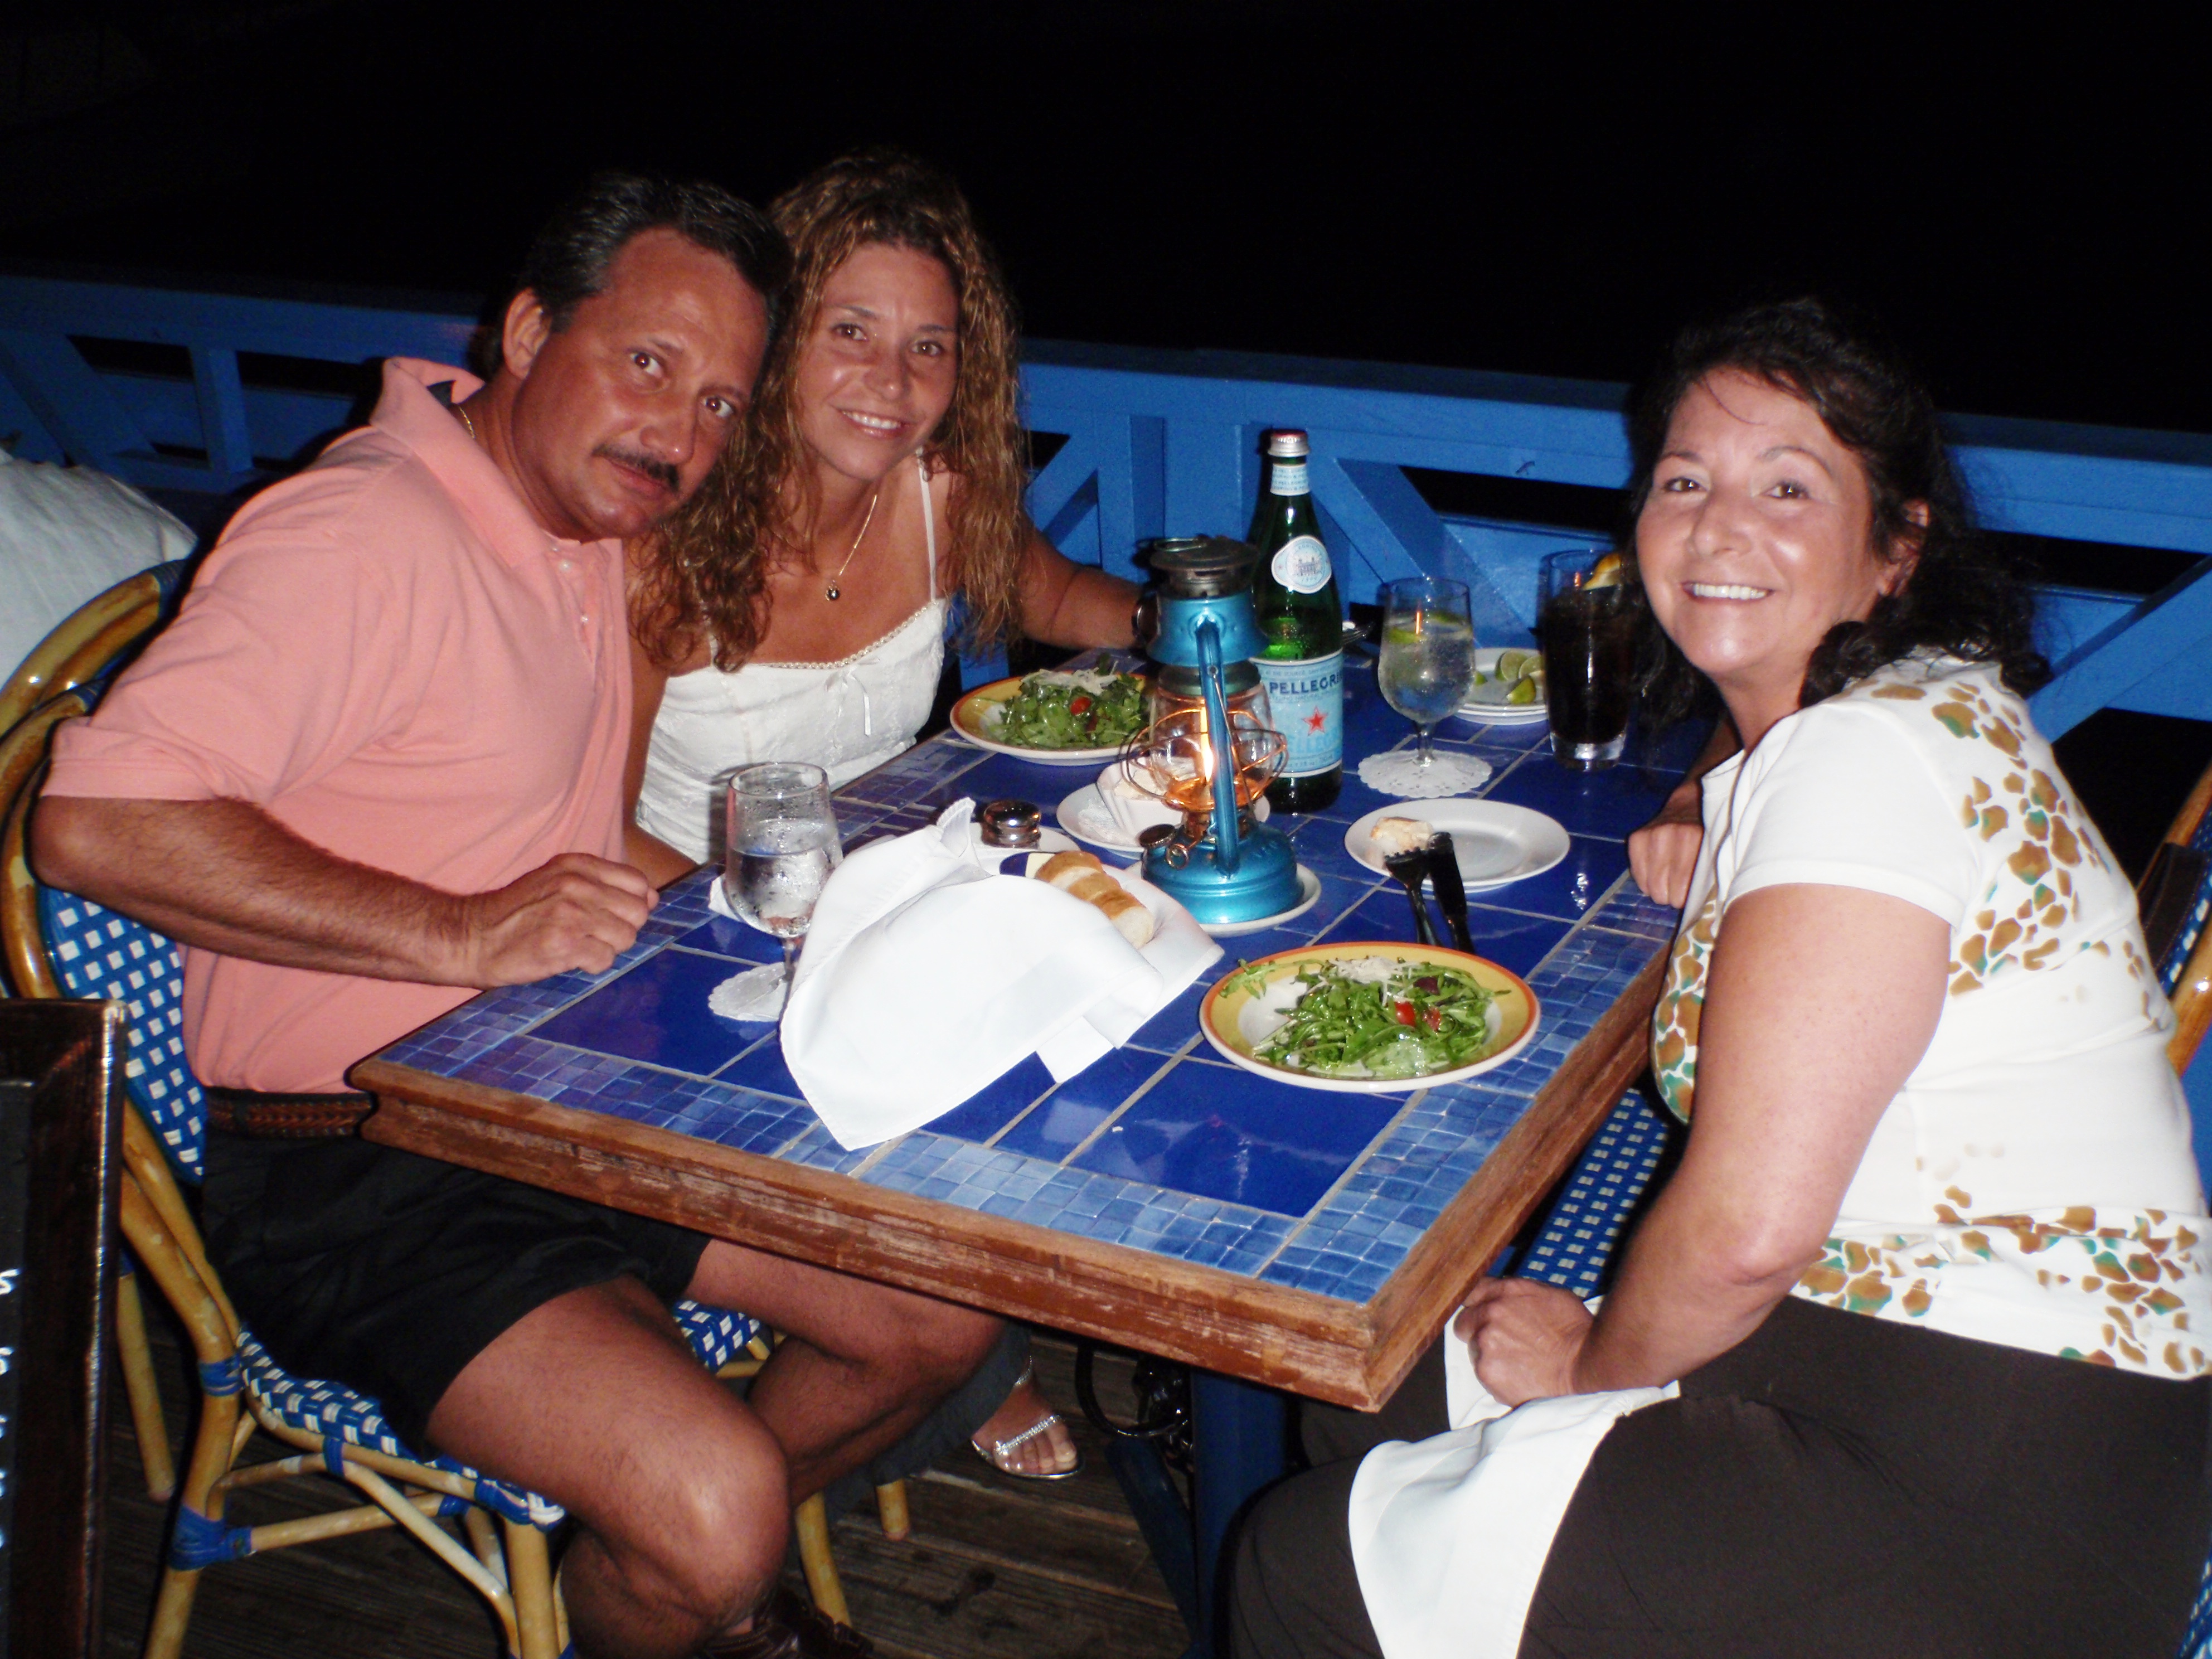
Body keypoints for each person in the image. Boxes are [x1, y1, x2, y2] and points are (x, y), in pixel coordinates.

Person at [32, 172, 1002, 1659]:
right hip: (362, 1161)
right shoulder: (360, 533)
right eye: (649, 364)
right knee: (714, 1503)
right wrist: (466, 931)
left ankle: (687, 1585)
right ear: (533, 331)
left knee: (942, 1313)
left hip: (568, 1090)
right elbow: (95, 823)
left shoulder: (594, 530)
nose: (681, 435)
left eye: (722, 403)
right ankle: (702, 1558)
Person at [1229, 298, 2212, 1658]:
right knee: (1372, 1387)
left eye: (1787, 487)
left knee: (1296, 1563)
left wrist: (1588, 1369)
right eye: (1684, 481)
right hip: (1951, 1360)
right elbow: (1772, 747)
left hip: (1985, 1473)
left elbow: (1746, 1232)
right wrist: (1707, 798)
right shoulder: (1910, 696)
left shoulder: (1865, 760)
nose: (1716, 526)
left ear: (1897, 546)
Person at [625, 150, 1139, 1479]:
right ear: (775, 338)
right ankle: (916, 1377)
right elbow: (580, 813)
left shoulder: (936, 492)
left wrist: (1195, 621)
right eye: (849, 332)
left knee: (1106, 987)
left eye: (928, 346)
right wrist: (745, 923)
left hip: (878, 909)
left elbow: (1056, 597)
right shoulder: (663, 538)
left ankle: (960, 1338)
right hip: (682, 949)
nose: (892, 382)